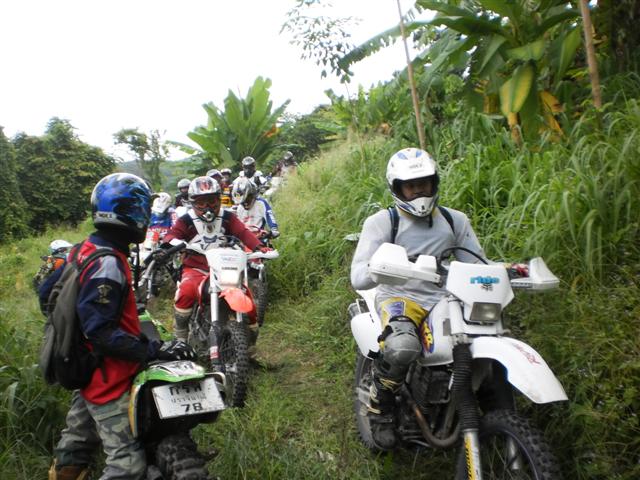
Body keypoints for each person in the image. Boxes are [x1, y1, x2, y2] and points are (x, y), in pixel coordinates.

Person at [42, 173, 196, 480]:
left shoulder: (84, 248)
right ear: (132, 213)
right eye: (143, 210)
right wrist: (155, 350)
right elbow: (102, 334)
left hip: (85, 366)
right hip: (107, 377)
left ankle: (66, 471)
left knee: (78, 438)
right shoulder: (108, 263)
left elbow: (47, 293)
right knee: (128, 466)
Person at [350, 147, 488, 450]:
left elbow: (478, 263)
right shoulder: (382, 222)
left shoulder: (454, 220)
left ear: (434, 182)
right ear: (397, 188)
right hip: (401, 296)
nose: (418, 192)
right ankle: (380, 408)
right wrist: (383, 267)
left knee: (484, 338)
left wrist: (504, 272)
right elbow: (358, 276)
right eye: (411, 186)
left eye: (423, 183)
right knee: (402, 347)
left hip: (446, 297)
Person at [161, 176, 267, 344]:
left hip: (225, 268)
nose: (207, 207)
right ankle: (180, 336)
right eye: (201, 203)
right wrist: (172, 242)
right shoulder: (186, 220)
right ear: (193, 203)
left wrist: (259, 246)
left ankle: (250, 342)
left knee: (245, 295)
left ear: (219, 200)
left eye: (211, 201)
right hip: (196, 268)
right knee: (187, 290)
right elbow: (172, 234)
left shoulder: (228, 217)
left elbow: (243, 232)